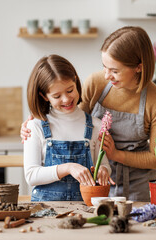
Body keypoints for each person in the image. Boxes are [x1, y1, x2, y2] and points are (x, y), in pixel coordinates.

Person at [22, 26, 156, 201]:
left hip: (137, 184)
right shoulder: (97, 83)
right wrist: (35, 122)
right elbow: (72, 119)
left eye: (115, 71)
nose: (107, 75)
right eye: (104, 67)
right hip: (95, 181)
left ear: (139, 67)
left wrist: (116, 155)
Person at [24, 54, 112, 202]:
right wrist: (68, 168)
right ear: (45, 96)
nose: (66, 99)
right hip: (45, 212)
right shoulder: (35, 126)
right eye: (57, 96)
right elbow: (31, 176)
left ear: (75, 82)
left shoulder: (96, 125)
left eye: (70, 90)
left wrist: (104, 171)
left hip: (84, 211)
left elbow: (103, 164)